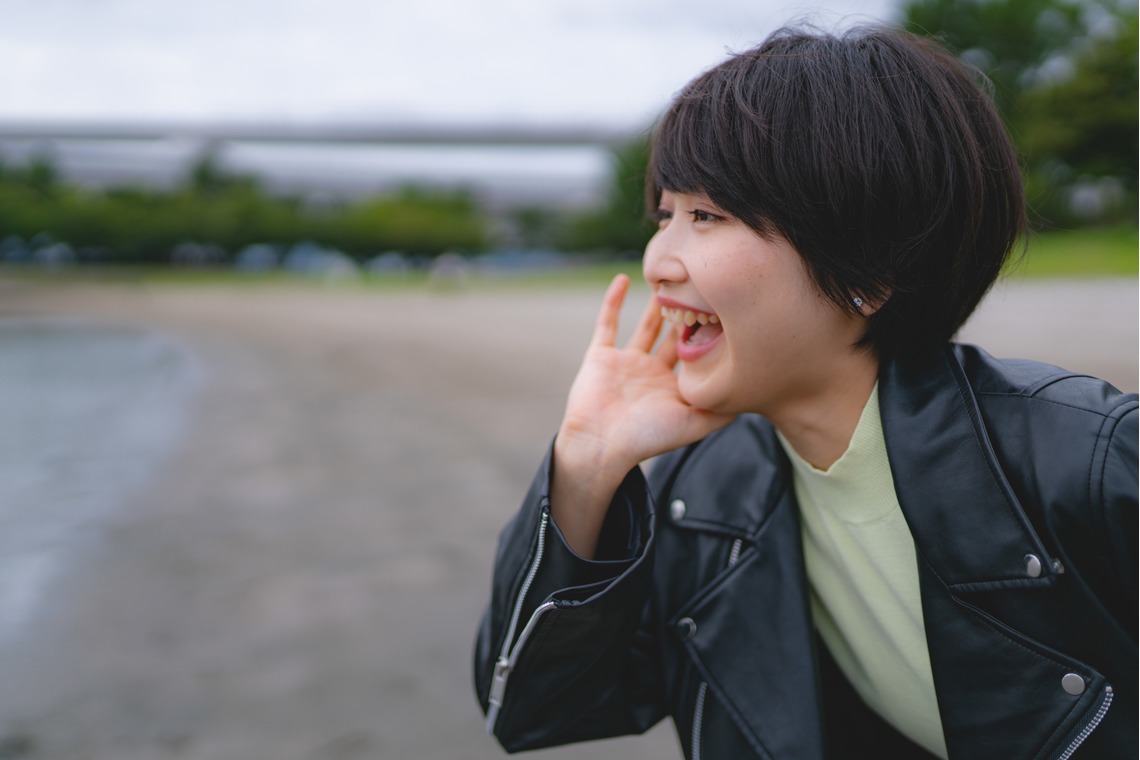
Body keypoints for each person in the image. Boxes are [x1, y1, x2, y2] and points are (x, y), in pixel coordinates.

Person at [472, 25, 1137, 760]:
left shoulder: (1089, 463)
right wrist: (588, 465)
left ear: (866, 271)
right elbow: (532, 711)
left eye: (707, 216)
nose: (659, 258)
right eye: (665, 214)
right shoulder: (711, 490)